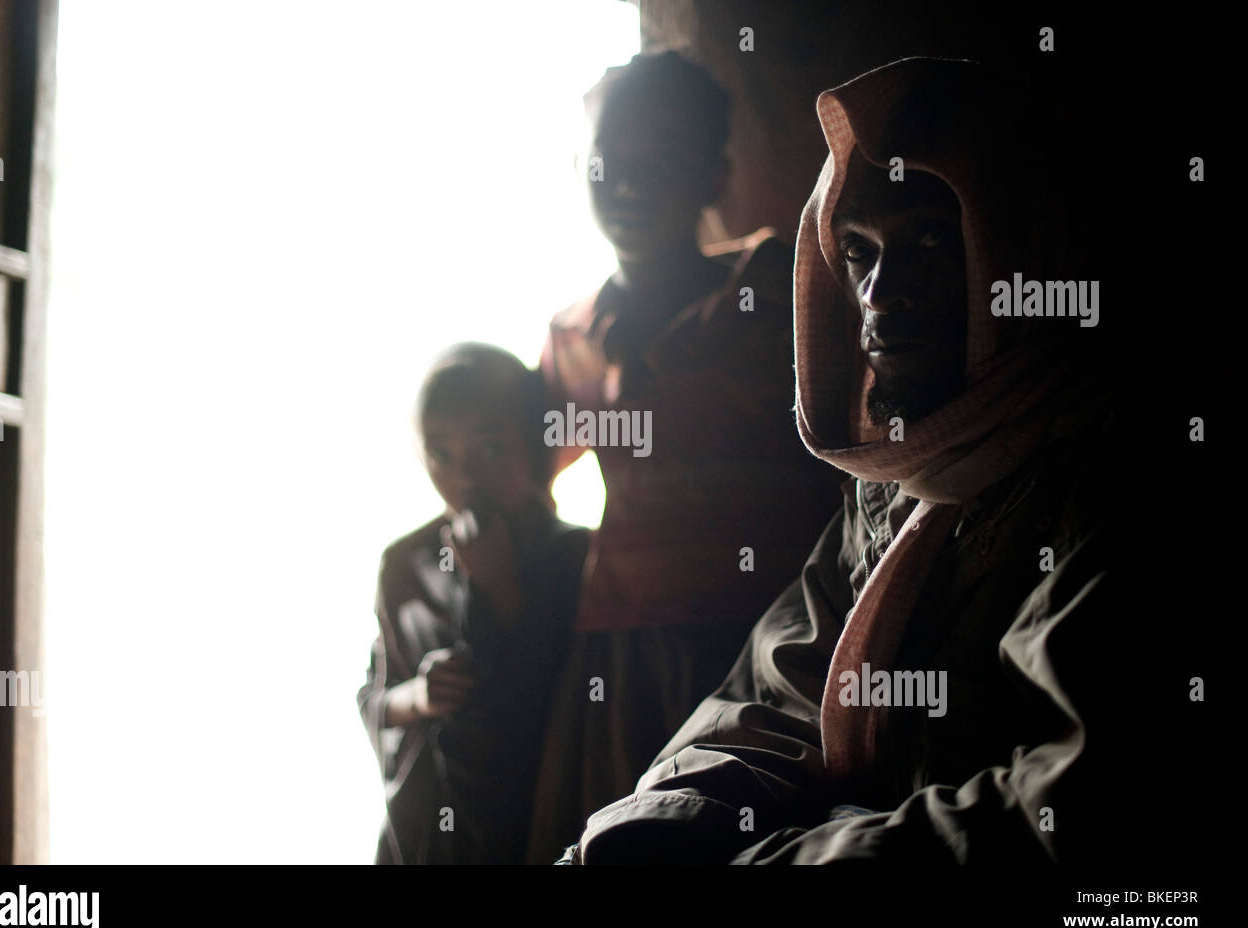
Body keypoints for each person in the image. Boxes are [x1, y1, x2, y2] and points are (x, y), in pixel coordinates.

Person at [564, 56, 1154, 864]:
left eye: (932, 240)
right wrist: (650, 832)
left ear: (1021, 251)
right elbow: (779, 693)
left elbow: (1074, 813)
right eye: (858, 251)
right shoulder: (891, 485)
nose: (879, 293)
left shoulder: (1114, 467)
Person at [528, 50, 844, 863]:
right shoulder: (572, 337)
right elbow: (526, 479)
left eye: (662, 160)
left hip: (768, 640)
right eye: (610, 159)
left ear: (713, 174)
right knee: (622, 837)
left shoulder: (775, 288)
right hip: (621, 650)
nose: (628, 183)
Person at [357, 343, 589, 864]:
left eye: (488, 449)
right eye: (440, 454)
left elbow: (570, 701)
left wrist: (501, 591)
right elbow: (374, 701)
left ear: (533, 442)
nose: (463, 477)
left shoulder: (573, 554)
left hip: (538, 826)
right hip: (421, 833)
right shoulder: (405, 563)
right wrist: (421, 696)